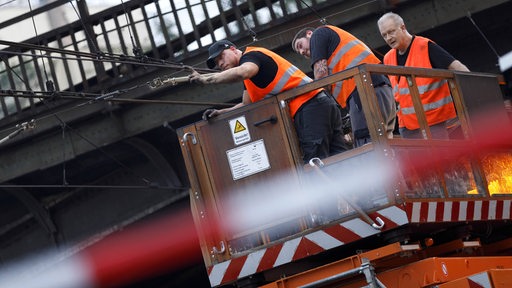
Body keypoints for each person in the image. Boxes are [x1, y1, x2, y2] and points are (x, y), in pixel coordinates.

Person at [189, 39, 351, 163]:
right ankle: (359, 201)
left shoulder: (251, 56)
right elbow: (247, 105)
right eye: (217, 63)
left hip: (309, 106)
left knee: (315, 163)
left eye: (221, 57)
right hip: (320, 103)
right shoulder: (249, 78)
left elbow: (243, 72)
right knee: (337, 157)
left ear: (233, 49)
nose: (220, 64)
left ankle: (330, 207)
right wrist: (220, 113)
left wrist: (207, 79)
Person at [291, 25, 396, 147]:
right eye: (299, 53)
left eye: (300, 45)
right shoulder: (334, 39)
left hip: (363, 90)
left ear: (309, 34)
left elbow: (321, 76)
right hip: (381, 88)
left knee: (367, 144)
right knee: (386, 144)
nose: (302, 51)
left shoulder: (318, 35)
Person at [377, 12, 470, 139]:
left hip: (437, 122)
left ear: (403, 27)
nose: (388, 38)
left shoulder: (425, 46)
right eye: (384, 35)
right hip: (408, 127)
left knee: (445, 158)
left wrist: (474, 94)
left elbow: (457, 68)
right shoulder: (388, 58)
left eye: (391, 31)